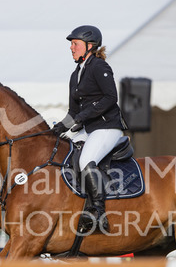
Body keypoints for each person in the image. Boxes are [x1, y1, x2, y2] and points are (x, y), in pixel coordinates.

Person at [51, 25, 127, 232]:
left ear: (90, 46)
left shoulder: (99, 67)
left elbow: (111, 97)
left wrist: (81, 117)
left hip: (107, 127)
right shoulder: (75, 74)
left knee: (86, 160)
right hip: (89, 129)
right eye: (71, 44)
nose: (71, 48)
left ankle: (98, 211)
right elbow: (73, 112)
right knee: (63, 154)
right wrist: (59, 127)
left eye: (75, 44)